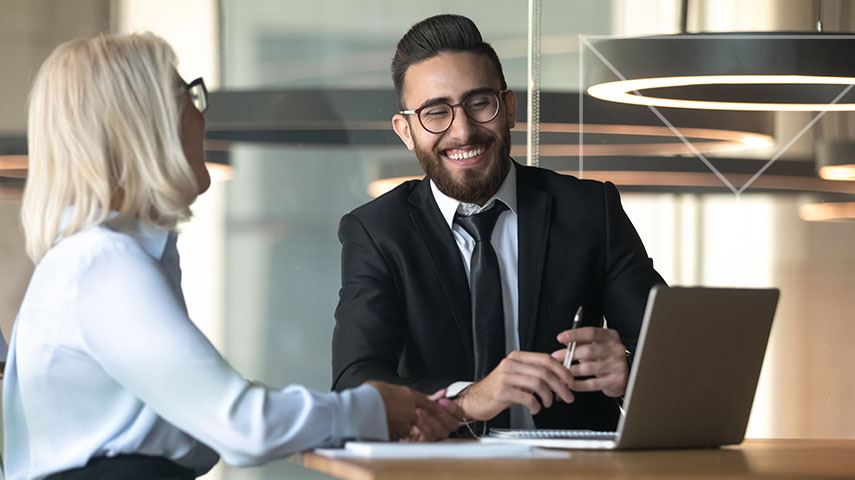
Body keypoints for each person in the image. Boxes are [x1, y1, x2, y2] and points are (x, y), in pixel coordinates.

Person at [3, 33, 458, 480]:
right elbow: (244, 427)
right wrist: (373, 408)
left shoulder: (101, 259)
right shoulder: (104, 264)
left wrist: (378, 410)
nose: (203, 119)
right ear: (147, 122)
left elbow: (215, 416)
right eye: (190, 98)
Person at [331, 14, 665, 436]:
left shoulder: (590, 209)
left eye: (479, 103)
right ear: (407, 131)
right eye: (436, 113)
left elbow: (673, 357)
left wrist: (631, 371)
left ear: (508, 108)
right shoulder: (377, 232)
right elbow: (353, 385)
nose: (464, 131)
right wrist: (471, 398)